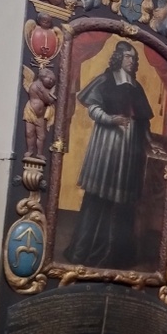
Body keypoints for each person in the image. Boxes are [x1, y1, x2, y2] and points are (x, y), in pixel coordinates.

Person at [65, 40, 154, 269]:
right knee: (98, 199)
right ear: (119, 58)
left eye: (134, 57)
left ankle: (116, 256)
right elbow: (93, 108)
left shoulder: (137, 87)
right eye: (128, 56)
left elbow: (143, 121)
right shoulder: (106, 80)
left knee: (122, 204)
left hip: (129, 150)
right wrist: (110, 119)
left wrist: (149, 141)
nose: (132, 61)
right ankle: (84, 252)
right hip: (107, 145)